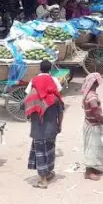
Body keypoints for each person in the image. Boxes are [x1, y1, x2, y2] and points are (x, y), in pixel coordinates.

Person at [24, 60, 64, 189]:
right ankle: (49, 173)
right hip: (52, 128)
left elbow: (23, 105)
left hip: (38, 130)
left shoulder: (33, 98)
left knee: (40, 153)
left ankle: (43, 180)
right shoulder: (55, 98)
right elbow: (61, 112)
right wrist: (59, 125)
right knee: (50, 150)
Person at [81, 73, 103, 181]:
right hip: (94, 125)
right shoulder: (92, 97)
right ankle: (89, 171)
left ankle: (94, 168)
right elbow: (96, 112)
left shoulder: (88, 94)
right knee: (92, 148)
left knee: (95, 147)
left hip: (89, 123)